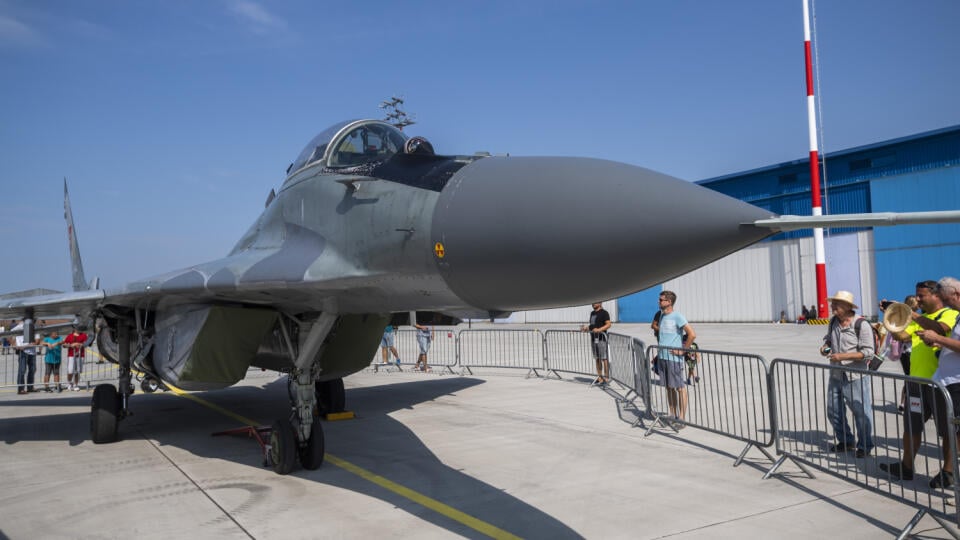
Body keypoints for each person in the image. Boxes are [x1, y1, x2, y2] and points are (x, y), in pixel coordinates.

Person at [880, 280, 960, 483]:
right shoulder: (921, 318)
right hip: (916, 382)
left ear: (936, 296)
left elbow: (940, 330)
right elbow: (903, 336)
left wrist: (912, 313)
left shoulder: (949, 314)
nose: (917, 299)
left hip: (939, 385)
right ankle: (906, 467)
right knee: (911, 425)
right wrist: (892, 317)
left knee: (947, 430)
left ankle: (948, 472)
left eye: (921, 296)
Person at [917, 277, 960, 489]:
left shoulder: (953, 315)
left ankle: (951, 474)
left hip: (957, 383)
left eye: (947, 299)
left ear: (956, 294)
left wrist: (939, 338)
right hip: (949, 382)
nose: (946, 303)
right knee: (953, 432)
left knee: (956, 432)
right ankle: (949, 472)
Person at [821, 290, 875, 458]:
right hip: (836, 373)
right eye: (833, 303)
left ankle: (865, 446)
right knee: (833, 410)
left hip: (855, 376)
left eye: (836, 304)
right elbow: (829, 339)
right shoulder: (833, 322)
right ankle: (846, 441)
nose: (832, 306)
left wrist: (842, 356)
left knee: (860, 412)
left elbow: (868, 352)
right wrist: (825, 347)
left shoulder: (861, 324)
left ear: (847, 306)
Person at [654, 291, 696, 425]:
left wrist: (683, 350)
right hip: (663, 356)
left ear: (669, 302)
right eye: (659, 300)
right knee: (668, 387)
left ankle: (682, 418)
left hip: (674, 358)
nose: (659, 302)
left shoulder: (677, 316)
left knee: (679, 387)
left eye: (661, 300)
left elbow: (692, 334)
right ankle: (672, 415)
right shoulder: (661, 316)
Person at [581, 302, 612, 384]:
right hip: (593, 338)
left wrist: (599, 330)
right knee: (597, 358)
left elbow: (608, 324)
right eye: (592, 302)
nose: (593, 303)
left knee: (604, 358)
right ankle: (600, 377)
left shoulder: (604, 313)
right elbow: (592, 325)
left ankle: (606, 377)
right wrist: (586, 328)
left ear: (600, 303)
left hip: (601, 338)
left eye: (596, 302)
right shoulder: (592, 313)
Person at [14, 319, 38, 394]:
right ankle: (20, 388)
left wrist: (26, 346)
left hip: (32, 352)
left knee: (32, 370)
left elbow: (37, 341)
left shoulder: (35, 327)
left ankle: (30, 387)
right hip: (22, 352)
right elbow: (9, 335)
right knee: (22, 370)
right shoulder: (19, 327)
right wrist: (14, 345)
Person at [65, 325, 89, 391]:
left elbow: (87, 343)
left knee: (77, 371)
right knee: (70, 370)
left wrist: (80, 344)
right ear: (74, 329)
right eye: (77, 328)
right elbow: (64, 344)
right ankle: (70, 383)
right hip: (71, 355)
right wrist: (70, 345)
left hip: (80, 355)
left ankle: (76, 384)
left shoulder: (84, 335)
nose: (78, 329)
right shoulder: (70, 336)